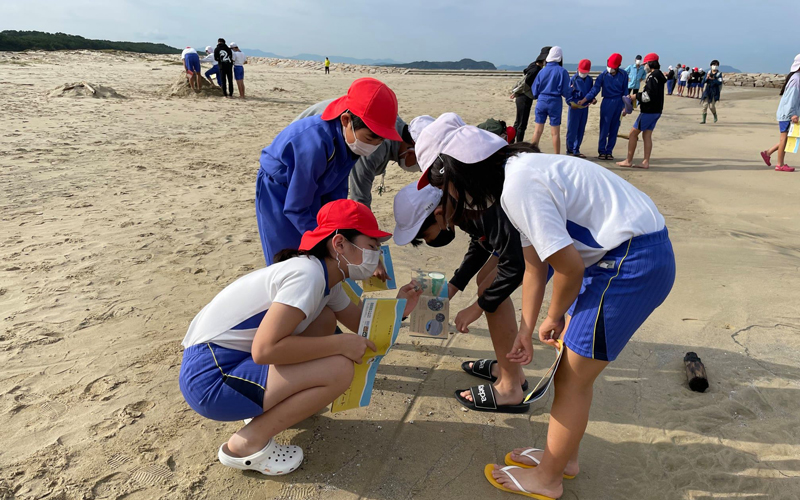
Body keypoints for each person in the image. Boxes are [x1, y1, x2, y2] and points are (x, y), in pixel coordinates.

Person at [416, 114, 675, 500]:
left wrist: (553, 317)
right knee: (572, 372)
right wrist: (526, 327)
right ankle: (561, 458)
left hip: (629, 263)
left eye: (441, 184)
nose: (447, 196)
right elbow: (535, 262)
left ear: (456, 172)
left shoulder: (519, 186)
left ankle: (550, 477)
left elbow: (567, 269)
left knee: (572, 378)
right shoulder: (516, 175)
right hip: (617, 255)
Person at [179, 199, 422, 477]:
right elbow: (265, 350)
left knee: (324, 320)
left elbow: (362, 329)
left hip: (225, 365)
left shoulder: (326, 278)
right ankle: (245, 445)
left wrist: (401, 307)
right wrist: (340, 344)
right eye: (371, 246)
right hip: (212, 379)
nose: (376, 257)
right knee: (340, 369)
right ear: (339, 243)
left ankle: (269, 409)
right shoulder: (307, 276)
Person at [256, 78, 402, 265]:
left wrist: (342, 232)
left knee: (324, 251)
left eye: (380, 141)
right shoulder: (315, 144)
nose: (373, 146)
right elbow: (296, 207)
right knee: (288, 256)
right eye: (371, 138)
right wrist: (325, 241)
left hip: (315, 187)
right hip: (279, 189)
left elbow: (336, 196)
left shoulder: (351, 143)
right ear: (346, 120)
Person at [293, 99, 417, 208]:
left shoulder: (389, 129)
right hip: (302, 146)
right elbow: (359, 197)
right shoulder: (374, 143)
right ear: (411, 151)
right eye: (420, 165)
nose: (418, 170)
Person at [616, 53, 667, 170]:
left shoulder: (652, 77)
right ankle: (645, 162)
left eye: (646, 64)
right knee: (647, 135)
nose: (645, 66)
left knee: (633, 134)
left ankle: (628, 160)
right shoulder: (659, 76)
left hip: (649, 111)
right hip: (657, 110)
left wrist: (634, 97)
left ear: (650, 63)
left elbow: (647, 96)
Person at [578, 53, 628, 160]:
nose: (610, 69)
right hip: (607, 102)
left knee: (614, 128)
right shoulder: (603, 75)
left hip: (619, 102)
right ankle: (601, 151)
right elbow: (594, 90)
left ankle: (609, 151)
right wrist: (585, 99)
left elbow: (625, 91)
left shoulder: (623, 75)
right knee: (604, 127)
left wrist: (625, 106)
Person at [760, 54, 800, 173]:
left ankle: (768, 153)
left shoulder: (795, 77)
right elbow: (792, 98)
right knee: (785, 138)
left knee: (788, 138)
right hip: (788, 113)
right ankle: (780, 164)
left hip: (787, 112)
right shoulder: (796, 78)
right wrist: (793, 114)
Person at [530, 46, 571, 154]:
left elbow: (534, 90)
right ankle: (557, 155)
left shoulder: (542, 71)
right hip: (555, 101)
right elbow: (566, 91)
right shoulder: (562, 71)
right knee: (555, 132)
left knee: (537, 131)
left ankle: (532, 153)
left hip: (542, 100)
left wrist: (539, 95)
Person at [511, 46, 551, 144]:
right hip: (524, 97)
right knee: (522, 124)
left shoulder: (533, 65)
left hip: (521, 97)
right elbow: (526, 84)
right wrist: (516, 92)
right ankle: (518, 145)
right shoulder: (536, 70)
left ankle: (511, 143)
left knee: (518, 122)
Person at [565, 59, 595, 158]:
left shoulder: (590, 80)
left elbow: (591, 92)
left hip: (584, 107)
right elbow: (568, 94)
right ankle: (570, 150)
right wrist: (571, 102)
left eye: (585, 72)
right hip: (574, 107)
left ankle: (576, 149)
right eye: (582, 72)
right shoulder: (573, 79)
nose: (583, 74)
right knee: (572, 128)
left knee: (581, 128)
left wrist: (592, 100)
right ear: (578, 69)